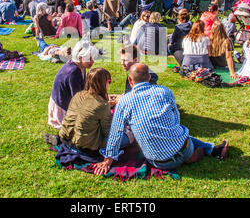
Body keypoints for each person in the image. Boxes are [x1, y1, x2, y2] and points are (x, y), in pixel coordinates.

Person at [93, 63, 229, 175]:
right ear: (149, 77)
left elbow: (116, 133)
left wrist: (108, 160)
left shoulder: (124, 102)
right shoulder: (164, 91)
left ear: (130, 80)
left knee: (170, 133)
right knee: (177, 131)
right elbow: (176, 120)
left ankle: (203, 151)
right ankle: (206, 150)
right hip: (183, 147)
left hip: (158, 161)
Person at [56, 68, 131, 153]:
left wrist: (106, 102)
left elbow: (89, 108)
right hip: (86, 146)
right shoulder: (102, 105)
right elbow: (109, 133)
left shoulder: (78, 95)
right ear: (103, 83)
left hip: (66, 138)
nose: (109, 84)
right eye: (109, 81)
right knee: (129, 137)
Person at [48, 40, 99, 129]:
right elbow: (77, 100)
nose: (92, 61)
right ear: (80, 57)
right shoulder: (73, 72)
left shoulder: (80, 66)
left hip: (67, 101)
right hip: (62, 106)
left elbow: (83, 88)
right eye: (90, 59)